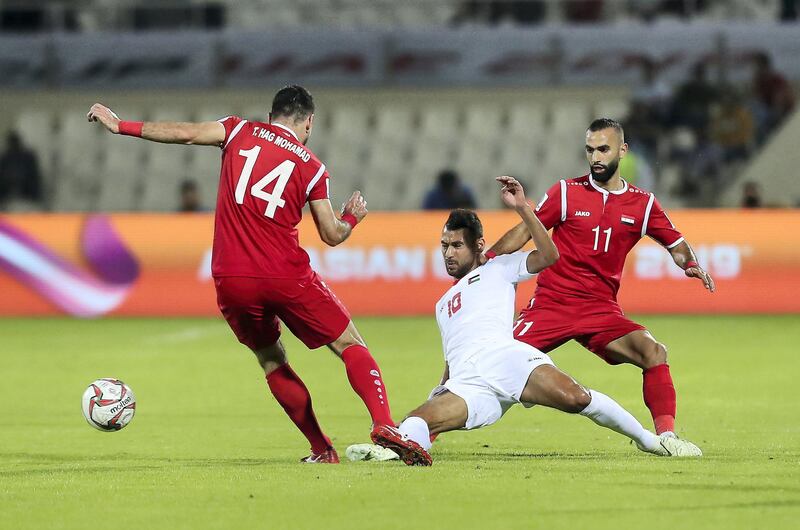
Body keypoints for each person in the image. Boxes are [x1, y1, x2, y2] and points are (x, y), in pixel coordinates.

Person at [87, 85, 420, 464]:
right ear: (309, 121)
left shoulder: (237, 131)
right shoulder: (311, 166)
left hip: (231, 278)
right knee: (349, 344)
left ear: (270, 114)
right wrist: (351, 218)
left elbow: (185, 133)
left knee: (271, 360)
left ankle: (321, 448)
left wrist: (120, 125)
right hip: (284, 273)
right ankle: (384, 423)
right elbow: (331, 235)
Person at [355, 177, 701, 466]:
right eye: (444, 245)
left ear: (478, 246)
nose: (448, 253)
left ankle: (649, 440)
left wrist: (523, 208)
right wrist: (441, 387)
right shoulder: (442, 304)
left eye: (456, 245)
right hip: (469, 381)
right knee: (422, 416)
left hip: (507, 360)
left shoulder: (499, 269)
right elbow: (451, 354)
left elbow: (550, 255)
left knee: (577, 399)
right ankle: (393, 447)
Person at [488, 118, 713, 444]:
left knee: (654, 352)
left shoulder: (643, 204)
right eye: (590, 150)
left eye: (603, 149)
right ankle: (422, 431)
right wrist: (487, 262)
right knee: (489, 358)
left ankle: (667, 437)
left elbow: (675, 243)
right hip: (553, 304)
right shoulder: (566, 192)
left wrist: (690, 264)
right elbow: (525, 231)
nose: (595, 157)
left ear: (622, 151)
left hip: (601, 311)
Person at [0, 131, 43, 209]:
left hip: (26, 198)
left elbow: (34, 179)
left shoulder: (28, 158)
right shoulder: (5, 159)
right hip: (7, 199)